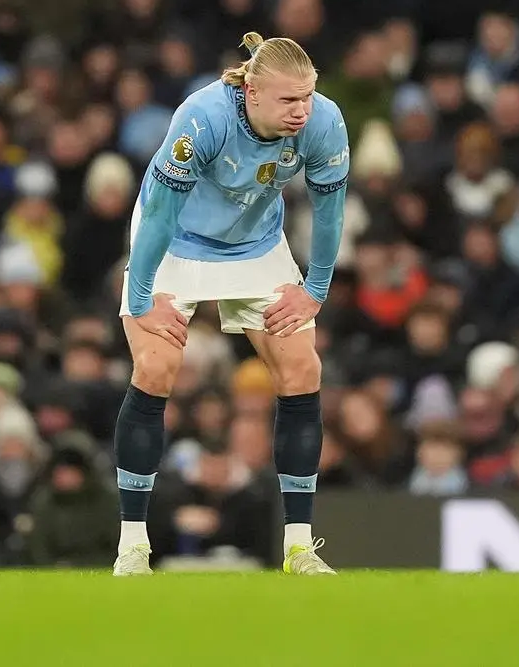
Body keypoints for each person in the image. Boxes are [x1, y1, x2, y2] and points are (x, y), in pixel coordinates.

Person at [112, 32, 350, 576]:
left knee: (301, 368)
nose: (302, 110)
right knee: (155, 367)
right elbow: (159, 216)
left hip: (256, 244)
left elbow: (329, 210)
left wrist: (314, 290)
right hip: (174, 241)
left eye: (308, 97)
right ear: (252, 92)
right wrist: (143, 295)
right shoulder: (202, 118)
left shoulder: (324, 122)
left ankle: (298, 548)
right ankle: (132, 546)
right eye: (289, 100)